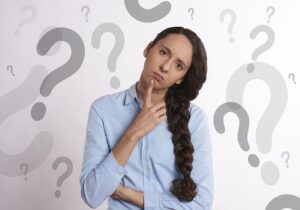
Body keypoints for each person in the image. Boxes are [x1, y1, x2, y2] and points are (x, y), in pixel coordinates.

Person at [79, 26, 214, 210]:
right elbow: (92, 194)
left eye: (178, 65)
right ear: (148, 49)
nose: (165, 67)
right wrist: (133, 133)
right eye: (163, 52)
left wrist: (125, 193)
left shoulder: (195, 120)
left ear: (181, 78)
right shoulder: (103, 110)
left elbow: (201, 205)